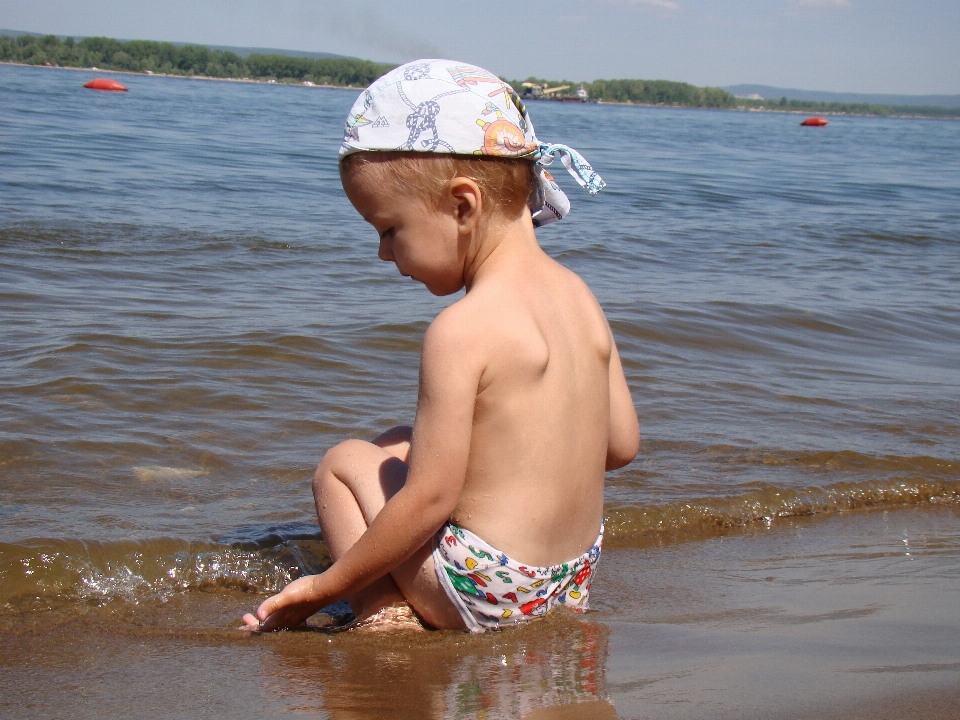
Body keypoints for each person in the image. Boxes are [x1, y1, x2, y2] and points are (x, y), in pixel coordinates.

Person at [241, 59, 639, 634]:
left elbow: (430, 499)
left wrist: (323, 587)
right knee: (398, 443)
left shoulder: (461, 328)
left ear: (462, 206)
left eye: (388, 229)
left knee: (344, 463)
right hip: (568, 583)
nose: (382, 254)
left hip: (489, 595)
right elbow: (622, 445)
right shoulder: (580, 295)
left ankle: (379, 610)